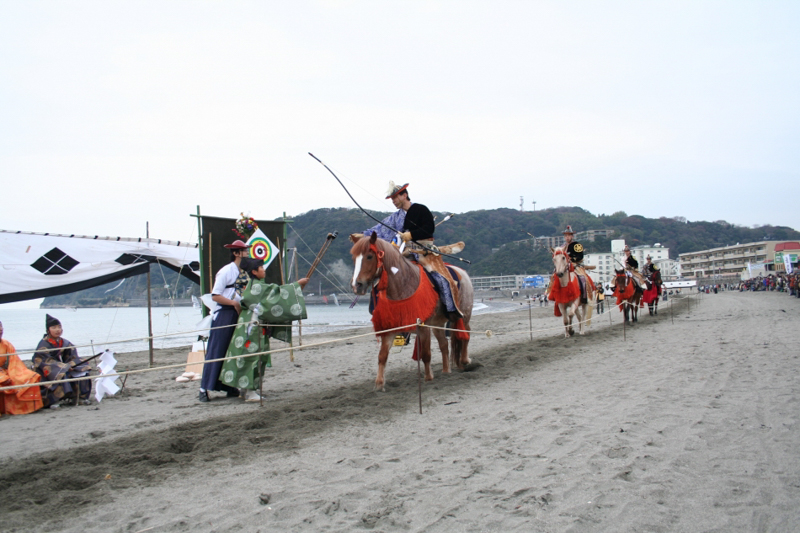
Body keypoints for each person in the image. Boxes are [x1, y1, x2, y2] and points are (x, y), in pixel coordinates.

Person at [360, 181, 463, 319]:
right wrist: (363, 235)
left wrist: (411, 235)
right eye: (392, 199)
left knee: (441, 278)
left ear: (405, 195)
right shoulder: (396, 217)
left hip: (424, 251)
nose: (394, 201)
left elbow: (429, 228)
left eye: (396, 197)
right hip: (405, 252)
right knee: (385, 273)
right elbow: (381, 228)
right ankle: (381, 308)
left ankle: (450, 309)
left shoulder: (421, 209)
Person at [218, 258, 309, 402]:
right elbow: (277, 295)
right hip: (252, 327)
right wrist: (297, 285)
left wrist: (295, 287)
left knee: (249, 356)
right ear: (254, 271)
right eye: (261, 268)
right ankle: (250, 391)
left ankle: (245, 389)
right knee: (253, 357)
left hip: (252, 325)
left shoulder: (257, 286)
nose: (264, 270)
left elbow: (275, 294)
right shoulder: (256, 287)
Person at [199, 239, 251, 403]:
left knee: (233, 351)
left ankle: (228, 385)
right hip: (226, 313)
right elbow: (216, 295)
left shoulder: (243, 272)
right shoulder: (226, 271)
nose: (247, 253)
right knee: (217, 349)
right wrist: (233, 303)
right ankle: (203, 388)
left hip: (239, 312)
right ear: (236, 253)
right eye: (244, 251)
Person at [32, 314, 92, 408]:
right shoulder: (43, 345)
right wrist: (65, 367)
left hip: (61, 366)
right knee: (60, 372)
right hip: (45, 371)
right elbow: (47, 361)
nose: (57, 330)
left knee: (82, 368)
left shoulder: (64, 342)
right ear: (48, 330)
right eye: (54, 327)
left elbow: (72, 356)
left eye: (59, 327)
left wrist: (72, 364)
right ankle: (55, 400)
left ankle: (79, 397)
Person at [1, 321, 44, 416]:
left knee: (31, 376)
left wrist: (11, 374)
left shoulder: (6, 344)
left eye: (1, 330)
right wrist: (3, 377)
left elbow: (14, 361)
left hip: (8, 370)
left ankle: (32, 408)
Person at [562, 225, 593, 304]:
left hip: (575, 265)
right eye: (566, 236)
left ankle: (584, 296)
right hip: (564, 266)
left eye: (569, 235)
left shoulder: (576, 245)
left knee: (582, 278)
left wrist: (572, 259)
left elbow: (580, 256)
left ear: (572, 236)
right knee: (554, 277)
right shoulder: (562, 247)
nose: (567, 237)